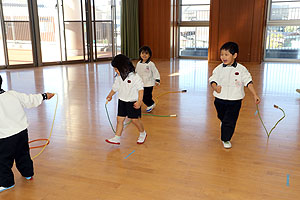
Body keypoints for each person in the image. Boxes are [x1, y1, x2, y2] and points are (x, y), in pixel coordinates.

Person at [0, 75, 54, 193]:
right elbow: (30, 100)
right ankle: (28, 174)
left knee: (3, 160)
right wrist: (45, 96)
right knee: (23, 154)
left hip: (4, 137)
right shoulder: (12, 94)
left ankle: (6, 183)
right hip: (21, 132)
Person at [209, 42, 260, 149]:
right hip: (219, 99)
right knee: (221, 117)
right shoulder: (219, 68)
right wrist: (215, 87)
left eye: (226, 54)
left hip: (234, 100)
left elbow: (248, 82)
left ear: (235, 55)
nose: (223, 57)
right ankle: (224, 123)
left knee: (230, 120)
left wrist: (255, 95)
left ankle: (226, 139)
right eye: (222, 54)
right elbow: (212, 79)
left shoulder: (241, 69)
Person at [105, 54, 147, 145]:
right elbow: (115, 87)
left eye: (116, 69)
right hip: (122, 101)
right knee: (120, 119)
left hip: (133, 102)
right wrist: (110, 95)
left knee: (134, 120)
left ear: (124, 67)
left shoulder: (135, 77)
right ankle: (117, 137)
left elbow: (140, 89)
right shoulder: (118, 77)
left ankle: (143, 133)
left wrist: (139, 101)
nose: (115, 71)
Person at [135, 46, 160, 112]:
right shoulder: (138, 63)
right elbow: (136, 72)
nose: (144, 55)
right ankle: (143, 103)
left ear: (149, 55)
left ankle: (151, 104)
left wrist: (157, 80)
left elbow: (155, 72)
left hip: (149, 84)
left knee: (146, 96)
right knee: (140, 95)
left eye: (146, 53)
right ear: (140, 54)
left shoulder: (150, 64)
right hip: (141, 83)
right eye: (142, 53)